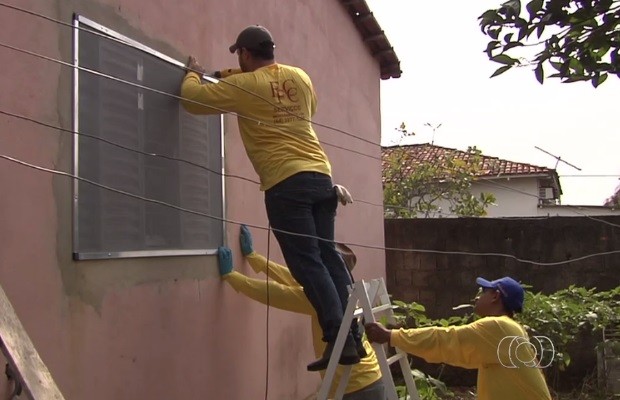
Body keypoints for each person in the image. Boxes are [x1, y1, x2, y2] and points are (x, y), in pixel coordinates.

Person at [180, 25, 360, 370]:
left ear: (245, 53)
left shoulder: (245, 86)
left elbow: (193, 99)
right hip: (322, 176)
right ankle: (352, 336)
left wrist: (193, 74)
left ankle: (337, 336)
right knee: (327, 256)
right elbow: (308, 107)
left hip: (286, 181)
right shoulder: (300, 77)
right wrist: (223, 74)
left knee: (307, 263)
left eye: (239, 55)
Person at [216, 226, 384, 399]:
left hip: (355, 387)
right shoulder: (342, 291)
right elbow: (293, 279)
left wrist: (232, 277)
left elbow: (276, 294)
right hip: (371, 378)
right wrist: (255, 258)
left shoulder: (323, 298)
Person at [364, 277, 552, 400]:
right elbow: (457, 350)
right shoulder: (509, 329)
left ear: (495, 297)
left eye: (483, 292)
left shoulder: (498, 327)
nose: (477, 297)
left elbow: (445, 340)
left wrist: (392, 336)